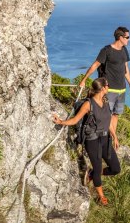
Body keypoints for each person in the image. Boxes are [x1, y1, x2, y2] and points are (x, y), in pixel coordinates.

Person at [53, 78, 121, 206]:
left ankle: (92, 173)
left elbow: (108, 122)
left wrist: (115, 136)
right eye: (108, 85)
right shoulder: (88, 104)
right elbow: (75, 120)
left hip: (106, 139)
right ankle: (101, 197)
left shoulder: (105, 101)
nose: (109, 87)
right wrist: (61, 122)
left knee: (116, 169)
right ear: (102, 88)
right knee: (98, 168)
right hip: (92, 140)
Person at [79, 26, 130, 138]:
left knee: (116, 114)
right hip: (109, 89)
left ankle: (111, 137)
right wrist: (83, 80)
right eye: (127, 37)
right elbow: (95, 65)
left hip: (121, 89)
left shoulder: (124, 50)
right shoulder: (106, 51)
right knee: (106, 115)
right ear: (120, 37)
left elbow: (125, 69)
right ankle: (106, 137)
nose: (129, 39)